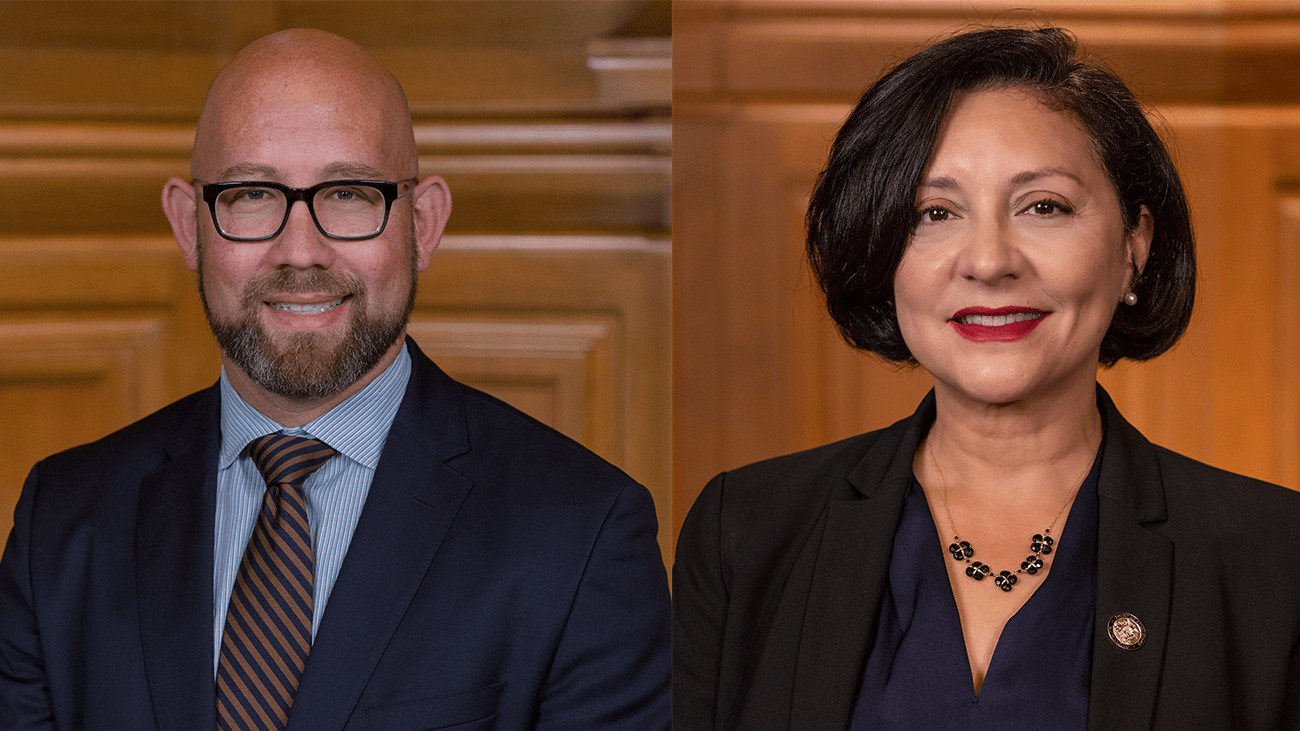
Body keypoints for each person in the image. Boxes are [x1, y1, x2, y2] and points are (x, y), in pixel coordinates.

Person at [0, 28, 670, 730]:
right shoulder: (63, 520)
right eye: (252, 194)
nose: (301, 251)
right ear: (188, 225)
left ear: (424, 224)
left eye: (348, 193)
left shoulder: (583, 531)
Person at [673, 25, 1300, 730]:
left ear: (1134, 247)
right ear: (883, 255)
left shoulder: (1275, 558)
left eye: (1044, 206)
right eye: (935, 213)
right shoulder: (746, 532)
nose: (990, 260)